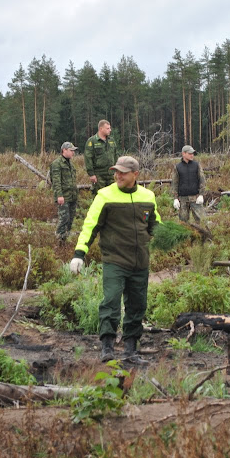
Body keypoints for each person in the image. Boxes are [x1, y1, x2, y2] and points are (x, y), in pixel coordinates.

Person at [69, 156, 161, 364]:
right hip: (115, 260)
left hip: (140, 261)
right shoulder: (105, 196)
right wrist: (79, 253)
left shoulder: (148, 196)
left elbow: (154, 225)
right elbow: (90, 225)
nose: (117, 176)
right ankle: (107, 346)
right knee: (111, 301)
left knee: (137, 305)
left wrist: (168, 235)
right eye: (116, 172)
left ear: (135, 175)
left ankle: (130, 349)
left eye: (122, 172)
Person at [51, 141, 79, 244]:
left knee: (70, 220)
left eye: (73, 151)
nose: (73, 153)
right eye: (71, 151)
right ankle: (59, 241)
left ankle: (65, 241)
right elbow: (56, 181)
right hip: (63, 197)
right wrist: (59, 195)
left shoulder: (70, 164)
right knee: (64, 219)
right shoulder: (57, 164)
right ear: (64, 150)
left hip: (72, 196)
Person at [171, 144, 207, 223]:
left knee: (203, 221)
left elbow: (202, 180)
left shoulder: (196, 165)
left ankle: (204, 235)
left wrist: (201, 194)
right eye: (190, 153)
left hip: (195, 198)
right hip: (183, 199)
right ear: (184, 154)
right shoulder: (177, 167)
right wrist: (175, 198)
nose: (192, 155)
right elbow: (174, 183)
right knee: (183, 223)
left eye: (193, 153)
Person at [84, 119, 117, 195]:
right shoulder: (92, 141)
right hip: (99, 174)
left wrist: (116, 169)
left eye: (110, 128)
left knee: (112, 196)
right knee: (99, 195)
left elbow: (115, 155)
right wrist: (91, 174)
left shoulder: (111, 141)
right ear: (101, 129)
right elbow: (88, 158)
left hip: (110, 173)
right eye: (107, 128)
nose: (110, 130)